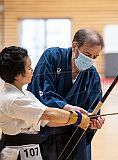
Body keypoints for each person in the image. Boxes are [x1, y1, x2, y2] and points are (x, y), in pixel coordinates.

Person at [0, 46, 90, 160]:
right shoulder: (12, 98)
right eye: (28, 68)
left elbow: (48, 121)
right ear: (18, 75)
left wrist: (78, 120)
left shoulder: (26, 94)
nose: (32, 70)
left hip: (32, 152)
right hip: (14, 153)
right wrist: (77, 118)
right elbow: (49, 114)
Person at [28, 28, 105, 160]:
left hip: (75, 137)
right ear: (75, 46)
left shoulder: (92, 75)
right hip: (46, 134)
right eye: (87, 54)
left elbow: (93, 108)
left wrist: (94, 121)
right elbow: (41, 90)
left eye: (95, 57)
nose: (90, 60)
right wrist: (66, 107)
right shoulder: (52, 56)